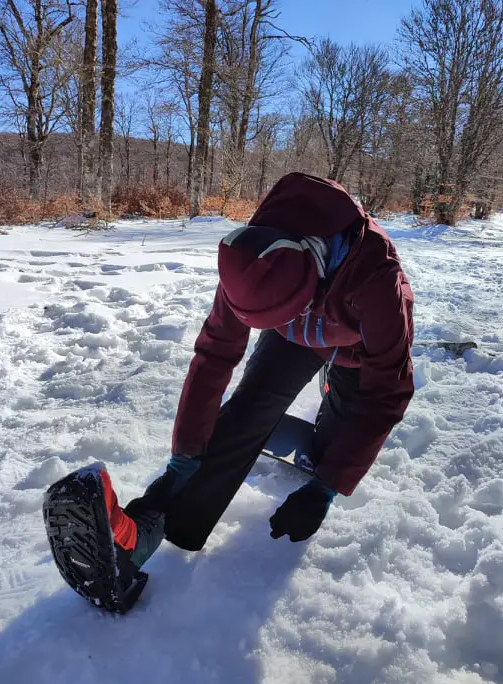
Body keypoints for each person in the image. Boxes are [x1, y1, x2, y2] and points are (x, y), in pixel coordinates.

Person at [104, 172, 415, 569]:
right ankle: (155, 530)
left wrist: (326, 487)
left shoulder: (379, 279)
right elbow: (214, 355)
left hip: (357, 347)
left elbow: (387, 392)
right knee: (250, 407)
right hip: (292, 334)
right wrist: (184, 457)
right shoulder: (249, 261)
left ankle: (331, 406)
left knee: (333, 448)